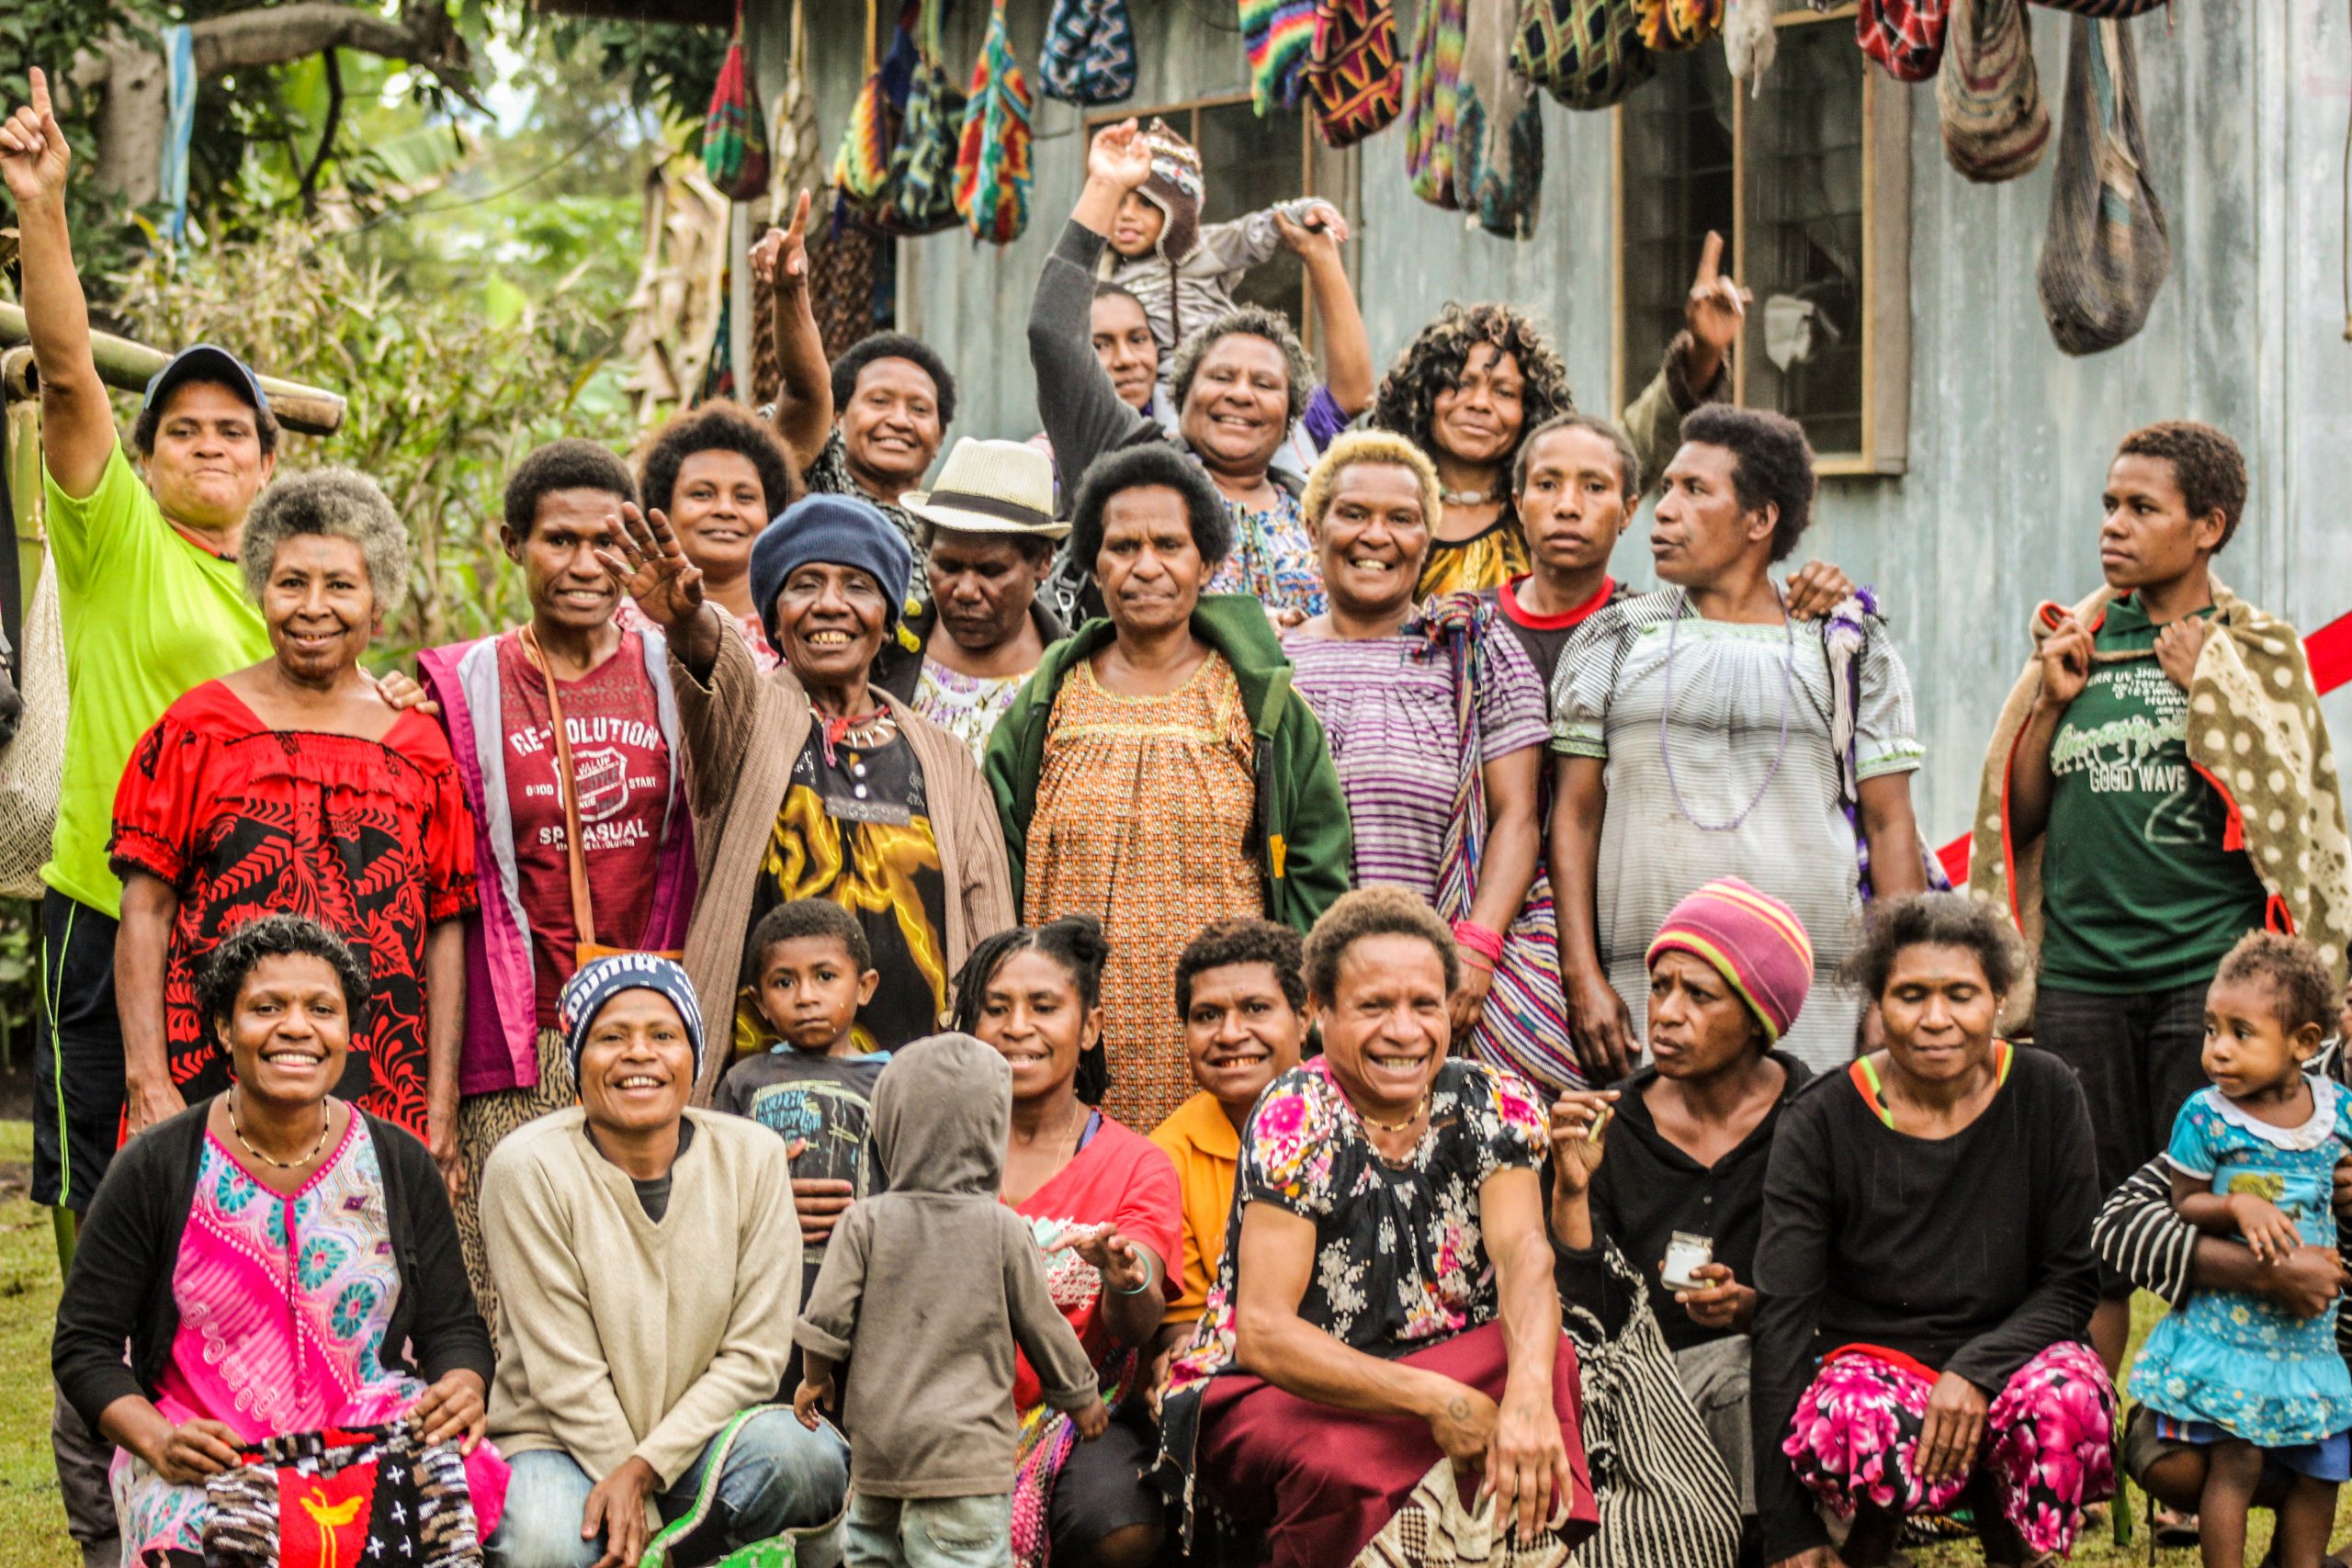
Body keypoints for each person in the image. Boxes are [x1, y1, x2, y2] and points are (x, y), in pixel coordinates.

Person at [1968, 420, 2351, 1372]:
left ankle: (2197, 1440)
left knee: (2221, 1210)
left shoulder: (2255, 649)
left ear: (2207, 525)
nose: (2114, 526)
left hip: (2211, 991)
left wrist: (2210, 689)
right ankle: (2081, 1451)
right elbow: (2014, 822)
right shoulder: (2077, 645)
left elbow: (2295, 818)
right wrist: (2051, 702)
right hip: (2081, 986)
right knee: (2089, 1226)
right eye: (2108, 504)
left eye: (2142, 508)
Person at [5, 69, 277, 1228]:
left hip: (246, 910)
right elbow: (69, 371)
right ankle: (95, 1400)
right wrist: (43, 206)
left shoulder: (294, 592)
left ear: (269, 464)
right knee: (100, 1163)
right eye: (182, 431)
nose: (207, 446)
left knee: (236, 1164)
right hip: (107, 899)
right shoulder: (117, 538)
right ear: (148, 456)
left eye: (232, 430)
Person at [1157, 887, 1595, 1568]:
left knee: (1547, 1357)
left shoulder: (1495, 1100)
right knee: (1338, 1464)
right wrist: (1438, 1399)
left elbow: (1523, 1255)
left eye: (1424, 1004)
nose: (1403, 1029)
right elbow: (1266, 1332)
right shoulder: (1297, 1114)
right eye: (1372, 1006)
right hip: (1286, 1380)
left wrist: (1531, 1396)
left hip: (1443, 1354)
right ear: (1320, 1014)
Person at [52, 915, 506, 1566]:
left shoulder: (399, 1162)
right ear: (223, 1028)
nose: (296, 1026)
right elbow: (84, 1344)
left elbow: (455, 1327)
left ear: (349, 1033)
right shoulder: (157, 1166)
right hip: (209, 1459)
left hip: (370, 1446)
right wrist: (156, 1439)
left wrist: (463, 1384)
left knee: (448, 1522)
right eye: (267, 1007)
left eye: (322, 1008)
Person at [110, 469, 475, 1182]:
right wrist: (147, 1077)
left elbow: (445, 928)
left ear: (378, 602)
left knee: (361, 1277)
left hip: (381, 1080)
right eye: (291, 583)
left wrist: (440, 1100)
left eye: (340, 585)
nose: (314, 607)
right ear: (261, 590)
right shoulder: (198, 728)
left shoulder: (422, 747)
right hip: (211, 1076)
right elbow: (144, 912)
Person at [1551, 405, 1926, 1078]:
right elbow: (1574, 818)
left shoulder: (1845, 646)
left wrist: (1893, 987)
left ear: (1760, 519)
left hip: (1815, 1006)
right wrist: (1581, 974)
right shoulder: (1613, 639)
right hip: (1644, 999)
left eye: (1696, 490)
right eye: (1667, 487)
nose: (1664, 510)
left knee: (1798, 1166)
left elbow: (1891, 822)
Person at [985, 444, 1351, 1131]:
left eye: (1169, 545)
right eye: (1123, 546)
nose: (1145, 566)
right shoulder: (1048, 700)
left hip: (1222, 1036)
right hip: (1066, 1029)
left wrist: (1299, 1018)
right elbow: (995, 850)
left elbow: (1314, 869)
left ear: (1206, 563)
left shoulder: (1259, 702)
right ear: (1094, 562)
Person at [419, 437, 698, 1320]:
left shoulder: (674, 664)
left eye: (607, 542)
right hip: (521, 1038)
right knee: (508, 1287)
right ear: (512, 543)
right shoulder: (461, 683)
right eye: (558, 540)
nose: (585, 564)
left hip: (646, 1032)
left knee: (642, 1282)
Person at [603, 492, 1014, 1091]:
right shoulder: (749, 718)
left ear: (889, 616)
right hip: (761, 1102)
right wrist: (687, 621)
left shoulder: (945, 758)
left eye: (858, 586)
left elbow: (990, 938)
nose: (830, 605)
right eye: (805, 584)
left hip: (916, 1097)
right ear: (774, 618)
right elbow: (714, 670)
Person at [1752, 893, 2114, 1568]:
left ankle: (2019, 1548)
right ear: (1877, 1003)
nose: (1936, 1018)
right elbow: (1783, 1317)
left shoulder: (2047, 1090)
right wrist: (1787, 1528)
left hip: (2016, 1356)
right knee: (1848, 1416)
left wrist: (1976, 1372)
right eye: (1911, 994)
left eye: (1962, 994)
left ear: (2000, 997)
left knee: (2070, 1398)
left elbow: (2071, 1284)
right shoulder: (1820, 1120)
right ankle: (1870, 1541)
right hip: (1875, 1362)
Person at [480, 954, 849, 1568]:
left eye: (663, 1035)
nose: (639, 1053)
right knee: (543, 1542)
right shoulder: (528, 1167)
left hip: (700, 1442)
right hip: (560, 1441)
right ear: (577, 1062)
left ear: (693, 1058)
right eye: (611, 1037)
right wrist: (638, 1505)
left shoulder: (752, 1157)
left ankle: (680, 1556)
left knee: (804, 1457)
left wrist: (644, 1474)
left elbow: (755, 1356)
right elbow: (563, 1372)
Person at [1281, 431, 1571, 1089]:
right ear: (1313, 525)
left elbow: (1519, 817)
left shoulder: (1473, 654)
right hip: (1308, 989)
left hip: (1449, 983)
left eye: (1402, 518)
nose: (1375, 535)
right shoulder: (1270, 665)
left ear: (1428, 537)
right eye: (1352, 513)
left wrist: (1473, 948)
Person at [1549, 878, 1816, 1538]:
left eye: (1699, 994)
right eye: (1661, 986)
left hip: (1777, 1379)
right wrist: (1570, 1191)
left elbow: (1847, 1284)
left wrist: (1749, 1305)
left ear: (1759, 1015)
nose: (1666, 1013)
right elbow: (1582, 1317)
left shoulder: (1813, 1121)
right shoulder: (1605, 1123)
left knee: (1746, 1369)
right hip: (1640, 1393)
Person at [794, 1032, 1108, 1568]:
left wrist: (815, 1377)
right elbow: (1043, 1326)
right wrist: (1081, 1396)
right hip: (966, 1466)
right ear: (992, 1132)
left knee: (869, 1556)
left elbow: (826, 1320)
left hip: (879, 1462)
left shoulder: (864, 1222)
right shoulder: (1002, 1229)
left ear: (889, 1126)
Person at [1032, 121, 1342, 627]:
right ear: (1181, 389)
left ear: (1291, 413)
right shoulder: (1131, 463)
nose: (1240, 394)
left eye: (1264, 384)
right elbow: (1053, 334)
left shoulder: (1323, 513)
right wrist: (1105, 188)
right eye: (1220, 377)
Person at [950, 919, 1182, 1568]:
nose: (1017, 1025)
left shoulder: (1138, 1163)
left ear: (1089, 1026)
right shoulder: (929, 1151)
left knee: (1119, 1525)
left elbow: (1136, 1326)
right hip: (940, 1409)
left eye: (1044, 1006)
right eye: (996, 1008)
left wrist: (1124, 1275)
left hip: (1082, 1417)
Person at [2126, 932, 2352, 1568]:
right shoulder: (2208, 1116)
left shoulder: (2337, 1111)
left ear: (2303, 1043)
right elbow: (2180, 1200)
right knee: (2237, 1458)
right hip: (2230, 1336)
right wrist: (2236, 1207)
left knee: (2322, 1466)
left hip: (2307, 1343)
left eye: (2240, 1032)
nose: (2218, 1048)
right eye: (2211, 1028)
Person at [1368, 230, 1745, 600]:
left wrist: (1703, 352)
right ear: (1424, 394)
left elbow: (1644, 436)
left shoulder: (1555, 498)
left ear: (1530, 410)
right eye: (1462, 384)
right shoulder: (1383, 507)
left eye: (1504, 391)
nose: (1480, 403)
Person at [713, 900, 891, 1319]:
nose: (806, 996)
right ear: (759, 1001)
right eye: (783, 982)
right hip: (764, 1302)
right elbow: (713, 1189)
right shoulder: (744, 1082)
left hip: (867, 1302)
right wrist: (764, 1204)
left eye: (825, 976)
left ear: (864, 986)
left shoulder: (895, 1083)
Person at [755, 190, 954, 558]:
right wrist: (792, 293)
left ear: (941, 436)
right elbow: (805, 392)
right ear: (838, 417)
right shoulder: (816, 483)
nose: (899, 420)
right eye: (879, 401)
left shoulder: (952, 533)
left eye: (920, 410)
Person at [1148, 919, 1310, 1337]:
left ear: (1305, 1017)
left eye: (1256, 1008)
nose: (1231, 1034)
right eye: (1207, 1016)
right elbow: (1184, 1321)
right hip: (1240, 1366)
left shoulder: (1361, 1118)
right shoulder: (1166, 1157)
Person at [870, 438, 1071, 761]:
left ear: (1043, 562)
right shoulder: (883, 649)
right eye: (947, 567)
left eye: (991, 571)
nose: (965, 591)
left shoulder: (1074, 676)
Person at [1095, 117, 1348, 359]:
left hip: (1210, 374)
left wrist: (1304, 211)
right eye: (1119, 203)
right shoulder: (1104, 274)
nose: (1127, 214)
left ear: (1177, 213)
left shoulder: (1203, 249)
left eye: (1147, 204)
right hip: (1145, 388)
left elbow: (1254, 231)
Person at [616, 402, 800, 671]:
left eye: (745, 497)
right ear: (663, 509)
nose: (725, 509)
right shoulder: (618, 626)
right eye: (702, 494)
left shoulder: (794, 627)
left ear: (771, 516)